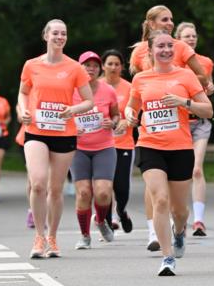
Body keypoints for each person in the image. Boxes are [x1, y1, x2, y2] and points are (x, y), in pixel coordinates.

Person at [125, 31, 212, 275]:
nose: (165, 50)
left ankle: (180, 231)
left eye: (169, 46)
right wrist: (129, 115)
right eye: (160, 46)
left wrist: (184, 103)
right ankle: (167, 257)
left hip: (180, 147)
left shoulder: (186, 75)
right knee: (160, 199)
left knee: (180, 210)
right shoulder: (141, 79)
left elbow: (207, 109)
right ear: (150, 51)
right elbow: (132, 107)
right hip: (150, 144)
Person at [17, 19, 93, 259]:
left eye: (64, 34)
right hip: (37, 130)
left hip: (64, 132)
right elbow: (23, 92)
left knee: (56, 189)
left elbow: (88, 100)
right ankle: (39, 237)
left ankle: (53, 237)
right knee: (38, 183)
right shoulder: (31, 65)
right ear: (46, 36)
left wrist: (74, 110)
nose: (60, 37)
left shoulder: (75, 68)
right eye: (56, 33)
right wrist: (22, 111)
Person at [71, 51, 120, 249]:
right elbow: (61, 116)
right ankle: (84, 236)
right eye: (86, 65)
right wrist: (72, 126)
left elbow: (116, 115)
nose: (91, 68)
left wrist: (112, 122)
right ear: (79, 68)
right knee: (83, 193)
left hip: (104, 147)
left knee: (103, 193)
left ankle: (100, 221)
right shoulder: (70, 90)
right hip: (78, 148)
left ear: (100, 69)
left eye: (95, 65)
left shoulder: (108, 90)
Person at [174, 22, 214, 236]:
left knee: (197, 169)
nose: (191, 39)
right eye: (187, 36)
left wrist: (211, 87)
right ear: (178, 39)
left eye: (194, 36)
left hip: (198, 122)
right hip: (177, 123)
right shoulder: (172, 64)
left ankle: (199, 220)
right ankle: (177, 215)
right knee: (180, 173)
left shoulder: (206, 62)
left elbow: (209, 86)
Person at [102, 49, 135, 233]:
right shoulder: (95, 87)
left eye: (117, 64)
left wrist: (126, 120)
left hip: (124, 143)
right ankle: (106, 222)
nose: (113, 67)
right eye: (110, 64)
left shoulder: (129, 88)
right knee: (104, 187)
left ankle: (121, 211)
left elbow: (138, 113)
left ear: (122, 67)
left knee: (121, 187)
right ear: (103, 66)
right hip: (100, 145)